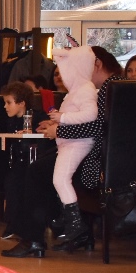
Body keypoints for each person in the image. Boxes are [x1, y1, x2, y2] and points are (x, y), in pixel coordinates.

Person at [36, 46, 124, 252]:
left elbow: (97, 125)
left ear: (96, 64)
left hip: (100, 156)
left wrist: (60, 129)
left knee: (43, 172)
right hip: (106, 154)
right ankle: (70, 223)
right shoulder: (112, 86)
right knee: (50, 171)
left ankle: (70, 223)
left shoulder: (108, 88)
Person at [47, 45, 99, 246]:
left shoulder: (84, 89)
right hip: (70, 143)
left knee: (60, 180)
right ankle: (68, 218)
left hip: (77, 143)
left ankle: (74, 223)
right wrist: (59, 120)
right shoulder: (77, 90)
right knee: (60, 180)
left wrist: (62, 118)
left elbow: (90, 115)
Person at [0, 81, 54, 254]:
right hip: (20, 161)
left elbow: (45, 140)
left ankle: (24, 230)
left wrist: (32, 134)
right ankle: (16, 226)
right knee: (12, 183)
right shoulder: (11, 121)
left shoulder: (39, 118)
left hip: (36, 162)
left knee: (19, 184)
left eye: (9, 102)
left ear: (21, 103)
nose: (5, 107)